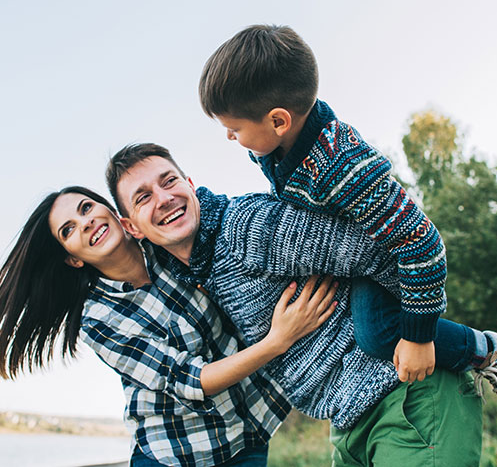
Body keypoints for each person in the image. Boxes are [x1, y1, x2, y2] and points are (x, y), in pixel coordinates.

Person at [106, 143, 483, 466]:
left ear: (189, 184)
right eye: (143, 197)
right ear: (133, 227)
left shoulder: (245, 229)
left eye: (169, 181)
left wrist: (413, 332)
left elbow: (382, 247)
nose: (164, 197)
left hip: (406, 395)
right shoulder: (192, 276)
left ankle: (484, 350)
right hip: (349, 422)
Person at [198, 23, 497, 388]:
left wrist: (419, 337)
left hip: (392, 265)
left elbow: (422, 242)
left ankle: (486, 349)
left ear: (279, 121)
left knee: (377, 332)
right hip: (350, 258)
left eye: (234, 128)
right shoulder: (277, 150)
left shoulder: (340, 165)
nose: (230, 136)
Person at [0, 185, 339, 467]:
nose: (85, 222)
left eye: (87, 208)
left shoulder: (167, 242)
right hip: (174, 452)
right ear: (73, 258)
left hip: (248, 432)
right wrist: (277, 341)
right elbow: (188, 380)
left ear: (114, 211)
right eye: (69, 229)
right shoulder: (97, 318)